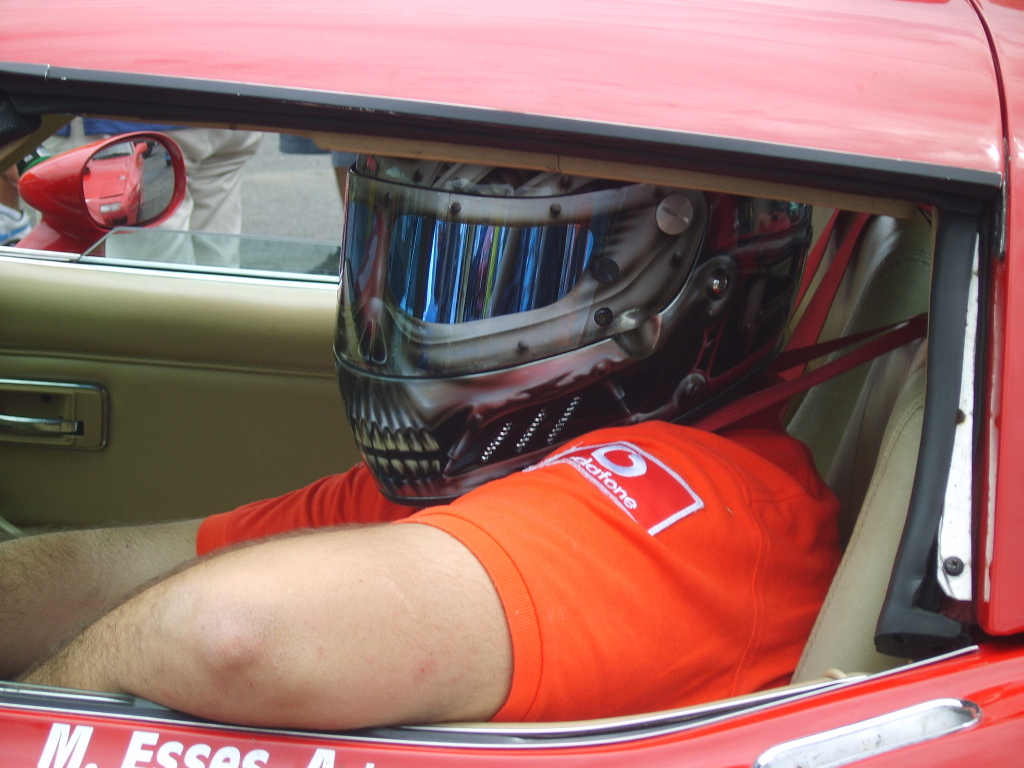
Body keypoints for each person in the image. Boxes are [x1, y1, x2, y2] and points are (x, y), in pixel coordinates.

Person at [0, 157, 840, 730]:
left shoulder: (707, 504)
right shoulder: (493, 470)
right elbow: (115, 573)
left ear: (669, 301)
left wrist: (34, 715)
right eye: (403, 263)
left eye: (496, 273)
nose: (400, 320)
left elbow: (233, 634)